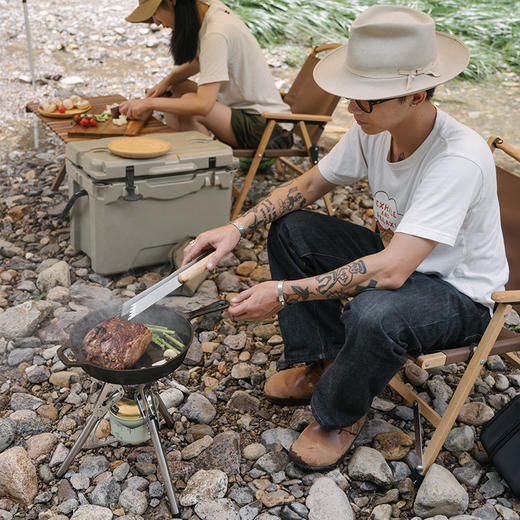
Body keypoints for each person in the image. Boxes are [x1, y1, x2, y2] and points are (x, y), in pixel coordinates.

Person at [183, 5, 509, 471]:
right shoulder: (375, 128)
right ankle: (324, 360)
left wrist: (282, 293)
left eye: (365, 101)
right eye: (351, 98)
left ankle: (338, 414)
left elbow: (393, 270)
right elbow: (308, 186)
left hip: (458, 293)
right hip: (401, 261)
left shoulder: (457, 159)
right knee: (292, 229)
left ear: (415, 94)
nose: (351, 111)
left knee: (373, 312)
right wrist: (235, 227)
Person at [121, 0, 292, 150]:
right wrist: (167, 81)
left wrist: (149, 103)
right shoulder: (209, 9)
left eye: (154, 13)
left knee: (191, 106)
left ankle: (201, 164)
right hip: (247, 114)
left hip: (269, 129)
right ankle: (183, 152)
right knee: (175, 88)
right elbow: (201, 61)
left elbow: (203, 106)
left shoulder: (215, 32)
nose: (156, 23)